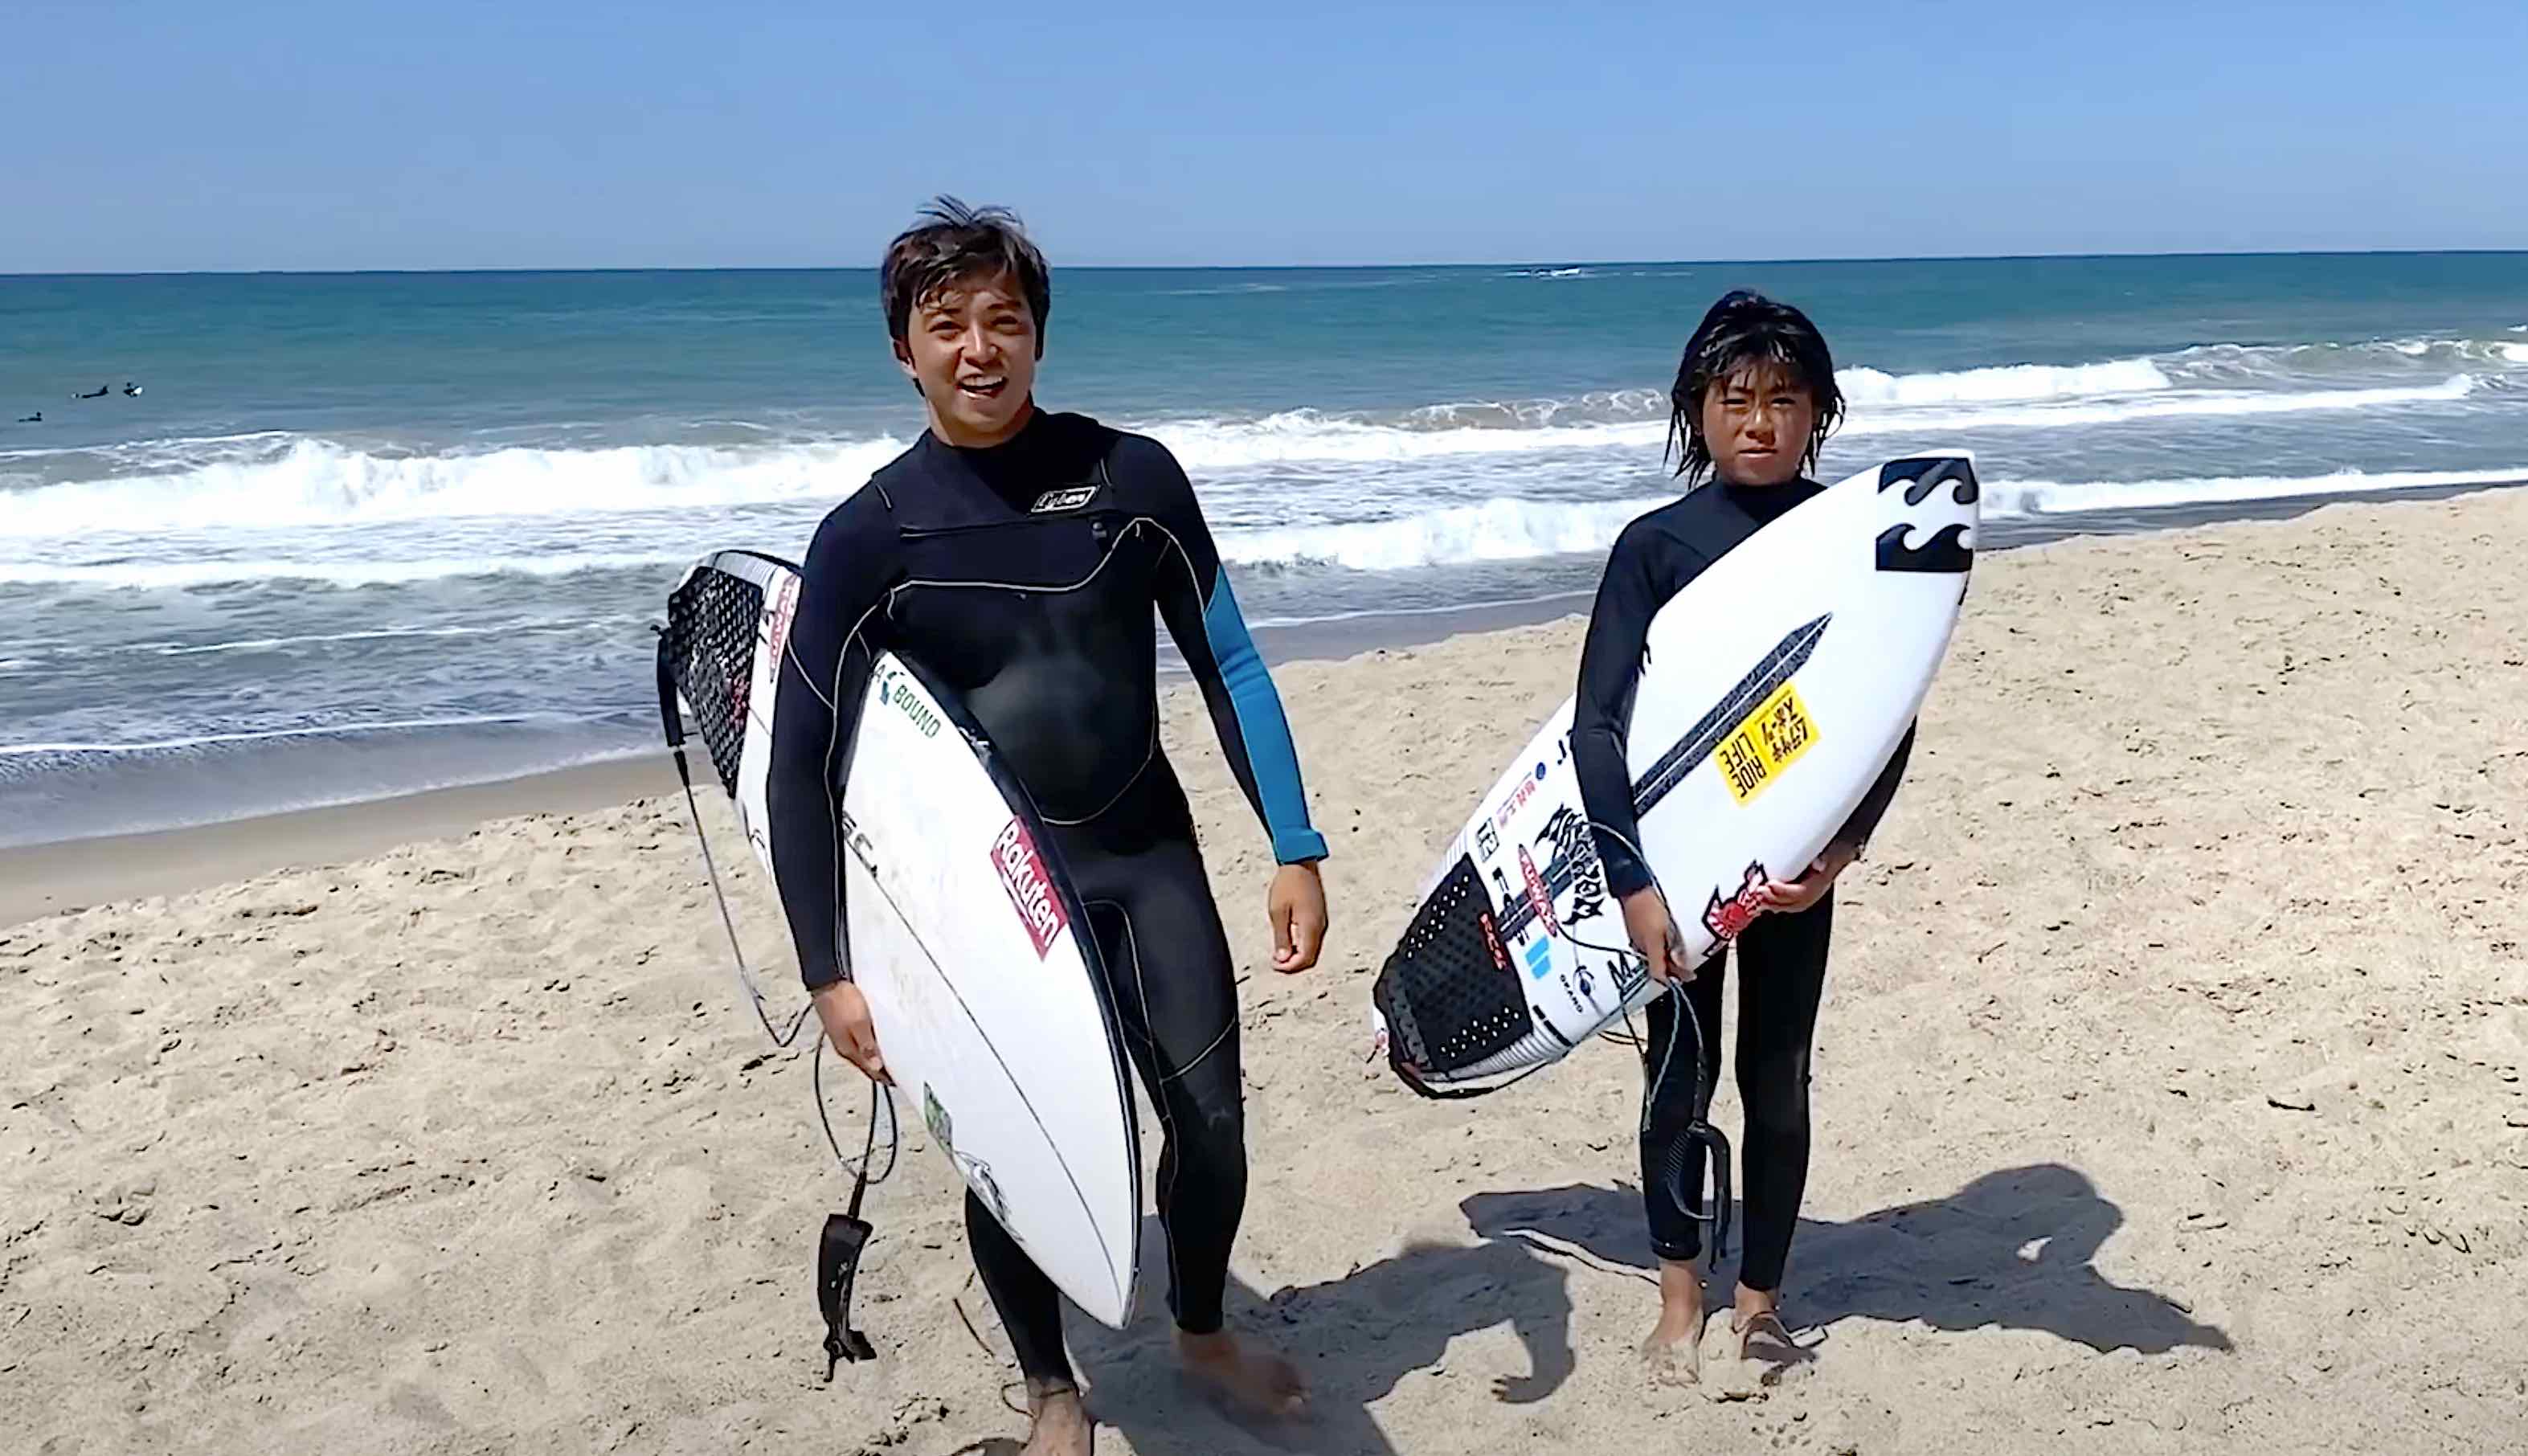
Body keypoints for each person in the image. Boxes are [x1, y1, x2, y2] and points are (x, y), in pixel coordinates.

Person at [768, 198, 1331, 1456]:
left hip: (1142, 855)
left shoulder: (1132, 479)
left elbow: (1228, 662)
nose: (980, 347)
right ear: (902, 350)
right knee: (1014, 1159)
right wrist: (829, 969)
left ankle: (1198, 1332)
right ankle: (1052, 1393)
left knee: (1212, 1126)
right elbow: (801, 764)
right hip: (986, 904)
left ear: (1038, 336)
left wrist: (1292, 846)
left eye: (1003, 321)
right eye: (947, 324)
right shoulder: (868, 537)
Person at [1571, 289, 1915, 1387]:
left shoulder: (1847, 542)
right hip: (1669, 867)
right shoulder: (1655, 547)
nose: (1758, 421)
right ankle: (1679, 1297)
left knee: (1778, 1079)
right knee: (1678, 1079)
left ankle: (1758, 1303)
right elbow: (1597, 726)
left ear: (1819, 413)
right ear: (1696, 411)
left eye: (1783, 400)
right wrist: (1626, 878)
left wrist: (1839, 854)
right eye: (1734, 399)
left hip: (1793, 866)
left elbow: (1886, 711)